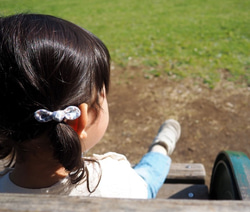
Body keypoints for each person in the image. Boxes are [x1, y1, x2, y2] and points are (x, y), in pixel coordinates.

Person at [0, 13, 181, 199]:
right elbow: (142, 190)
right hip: (135, 190)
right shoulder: (115, 179)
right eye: (102, 93)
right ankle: (161, 147)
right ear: (78, 120)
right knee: (147, 176)